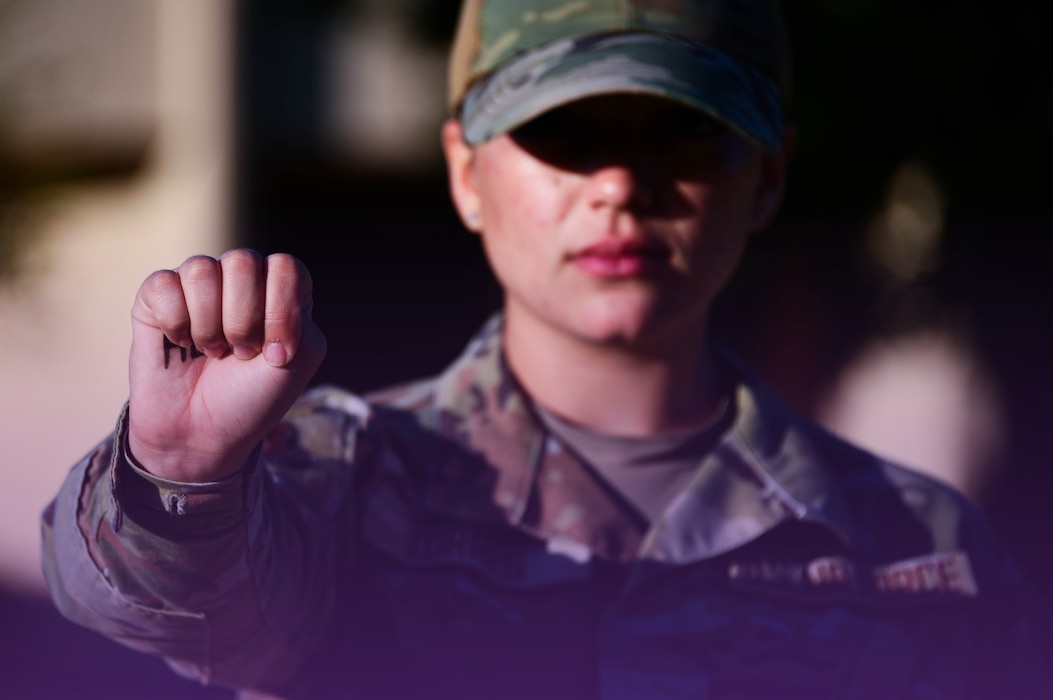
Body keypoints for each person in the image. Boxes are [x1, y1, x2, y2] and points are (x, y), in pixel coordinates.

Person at [41, 1, 1053, 698]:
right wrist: (176, 477)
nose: (619, 183)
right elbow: (147, 598)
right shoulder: (342, 486)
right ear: (465, 172)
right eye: (564, 131)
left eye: (680, 128)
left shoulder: (924, 549)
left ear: (771, 174)